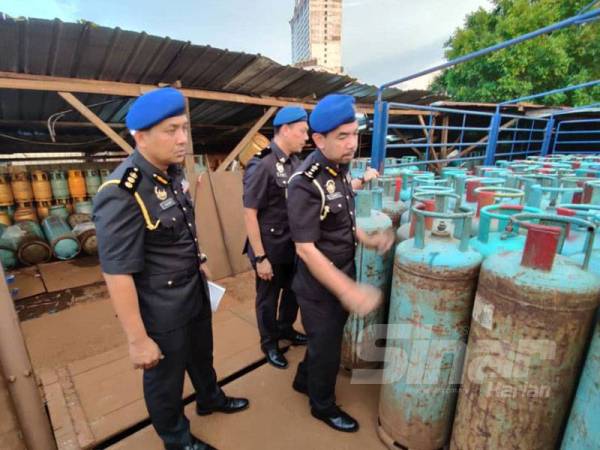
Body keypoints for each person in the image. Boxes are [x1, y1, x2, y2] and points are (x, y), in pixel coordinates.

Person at [93, 87, 248, 450]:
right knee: (166, 379)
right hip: (161, 310)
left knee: (201, 354)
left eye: (184, 128)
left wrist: (200, 261)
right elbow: (117, 273)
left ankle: (210, 398)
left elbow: (179, 231)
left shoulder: (173, 172)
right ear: (140, 137)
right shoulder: (122, 191)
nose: (182, 139)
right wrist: (138, 340)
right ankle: (177, 440)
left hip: (192, 290)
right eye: (170, 130)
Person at [287, 94, 394, 433]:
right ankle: (322, 405)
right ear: (318, 139)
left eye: (354, 133)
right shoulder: (305, 183)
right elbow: (305, 249)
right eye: (342, 136)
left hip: (341, 272)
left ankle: (304, 380)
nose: (352, 144)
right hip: (320, 287)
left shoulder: (340, 169)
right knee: (328, 347)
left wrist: (367, 239)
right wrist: (347, 289)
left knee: (324, 341)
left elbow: (341, 221)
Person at [242, 106, 309, 369]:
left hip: (291, 246)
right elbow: (250, 213)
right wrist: (260, 258)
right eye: (302, 131)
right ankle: (269, 343)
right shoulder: (262, 164)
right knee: (268, 299)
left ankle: (286, 328)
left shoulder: (295, 162)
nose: (306, 137)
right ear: (285, 129)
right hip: (269, 249)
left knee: (293, 292)